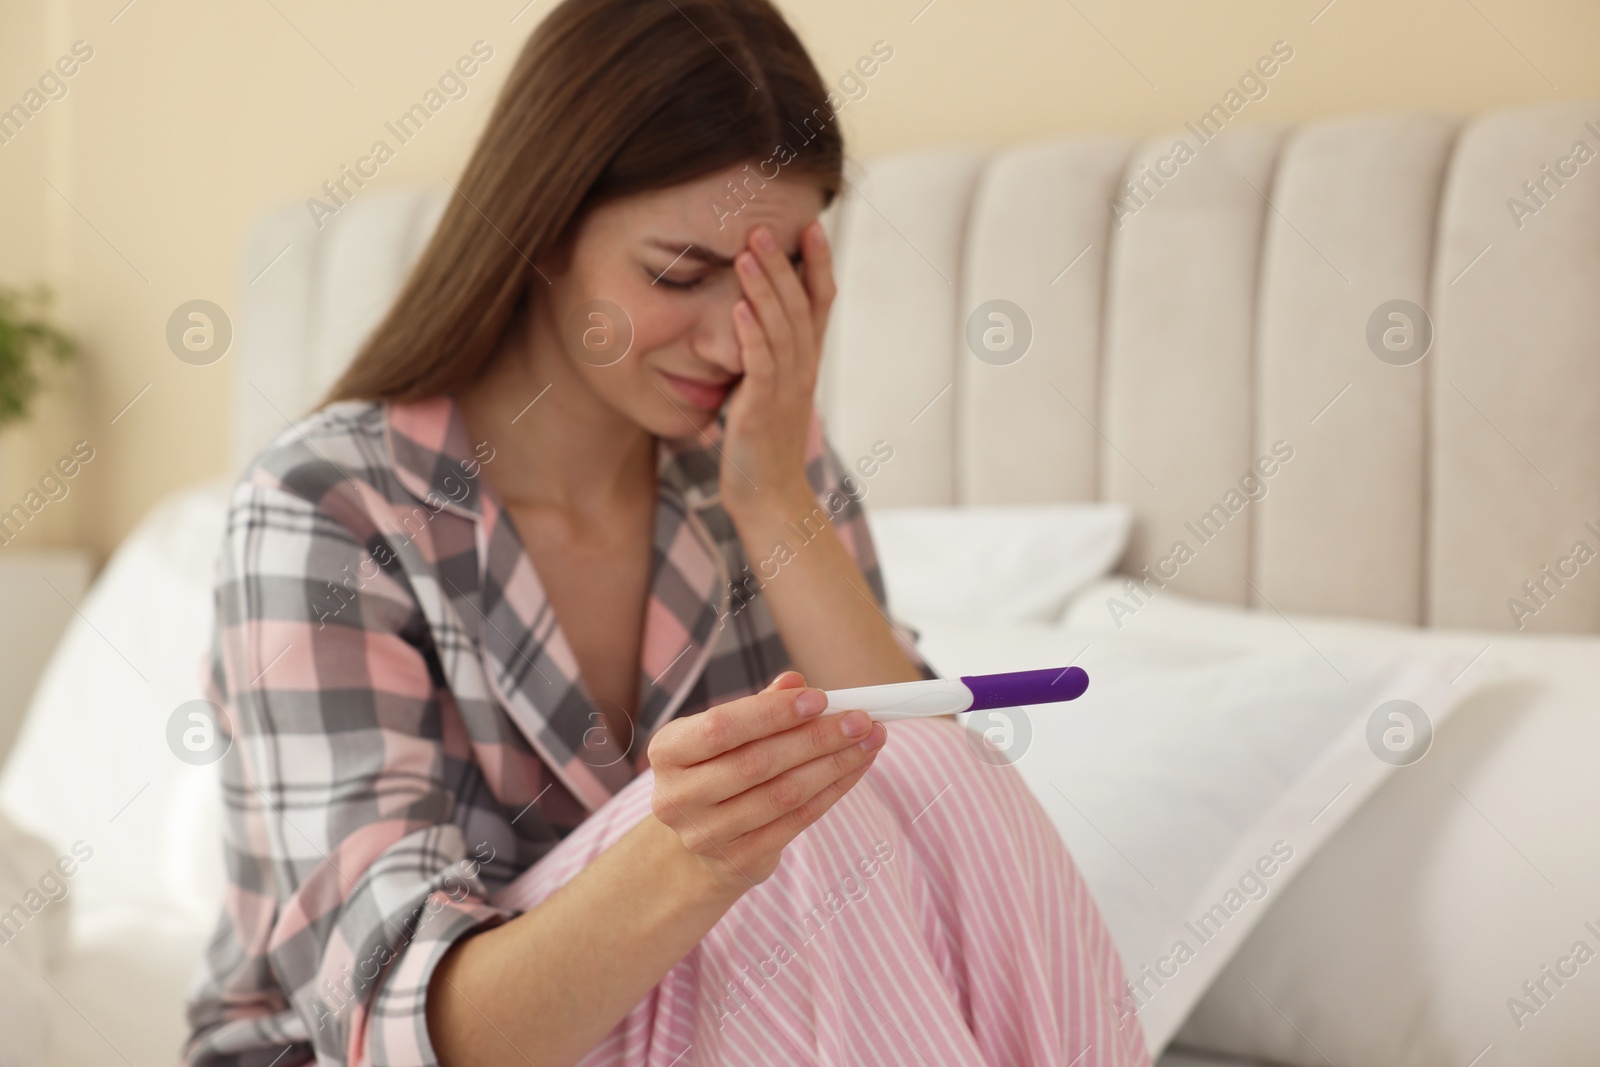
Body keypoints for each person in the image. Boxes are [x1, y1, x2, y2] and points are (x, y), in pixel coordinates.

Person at [183, 1, 1149, 1065]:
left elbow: (933, 811)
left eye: (769, 281)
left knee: (933, 779)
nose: (731, 338)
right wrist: (692, 853)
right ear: (543, 227)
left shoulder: (765, 463)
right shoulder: (329, 503)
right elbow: (396, 1027)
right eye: (679, 274)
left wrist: (775, 497)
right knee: (811, 830)